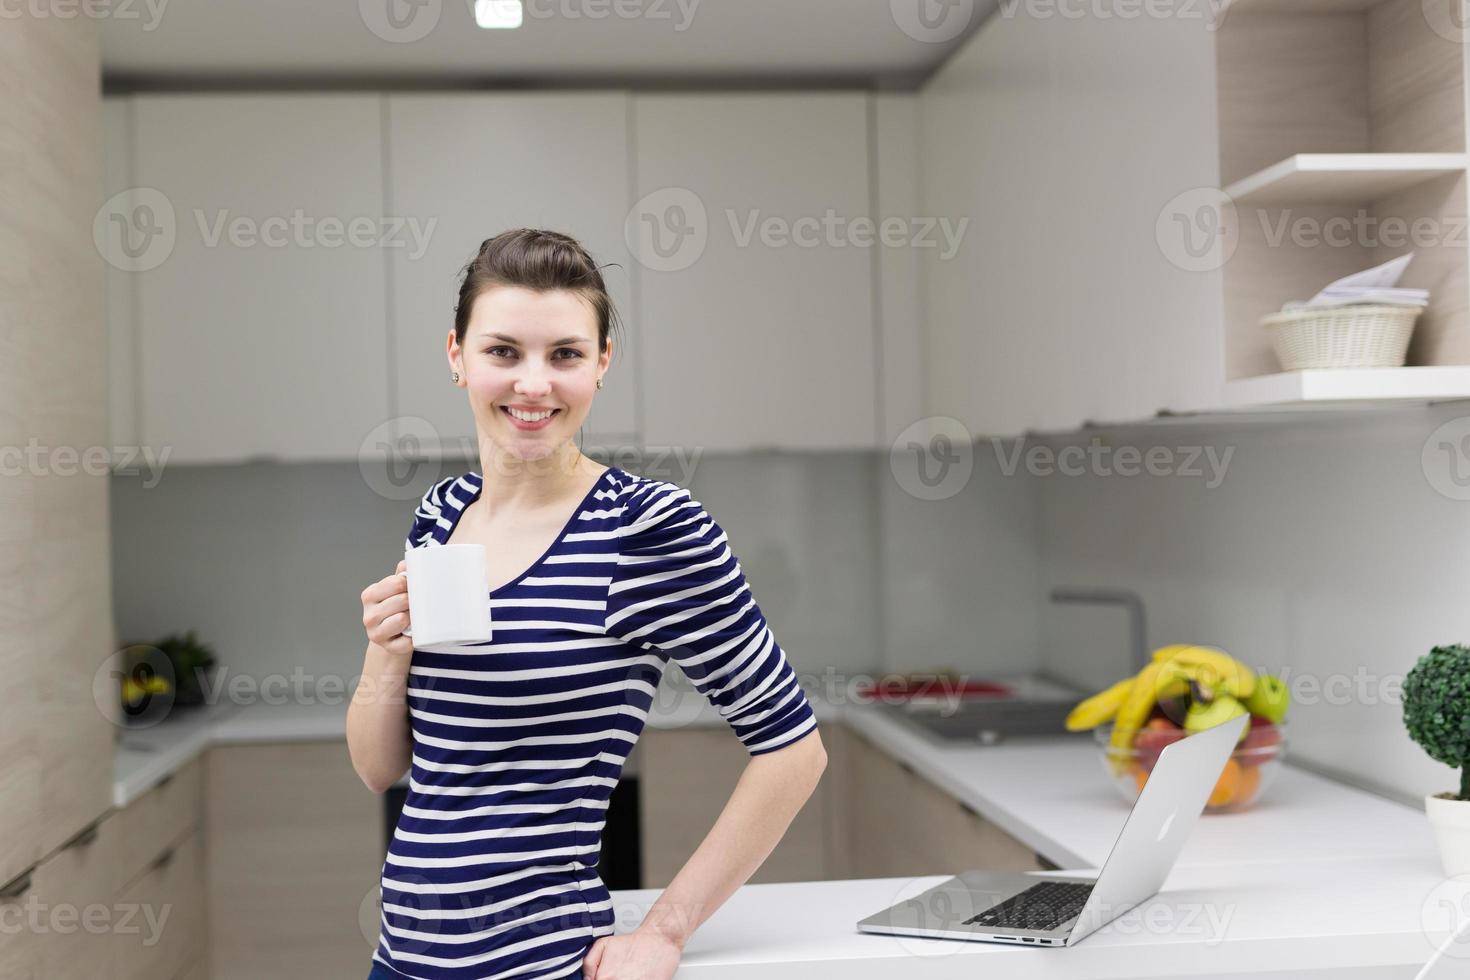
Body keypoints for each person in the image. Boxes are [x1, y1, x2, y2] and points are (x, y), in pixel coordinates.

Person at [349, 228, 827, 980]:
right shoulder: (442, 513)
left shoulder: (649, 529)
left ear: (602, 364)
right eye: (503, 351)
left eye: (564, 354)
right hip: (398, 964)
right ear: (457, 357)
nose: (533, 383)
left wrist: (666, 929)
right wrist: (385, 650)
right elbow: (382, 768)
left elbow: (794, 750)